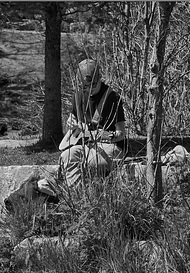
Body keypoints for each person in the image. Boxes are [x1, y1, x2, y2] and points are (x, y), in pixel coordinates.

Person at [38, 58, 128, 195]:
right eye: (85, 86)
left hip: (111, 146)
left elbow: (121, 133)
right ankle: (76, 197)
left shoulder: (112, 97)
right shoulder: (78, 96)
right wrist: (71, 123)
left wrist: (104, 135)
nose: (89, 89)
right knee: (67, 156)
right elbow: (73, 120)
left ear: (99, 78)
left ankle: (81, 197)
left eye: (93, 85)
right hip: (86, 145)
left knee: (90, 162)